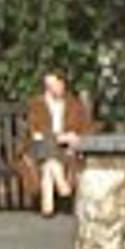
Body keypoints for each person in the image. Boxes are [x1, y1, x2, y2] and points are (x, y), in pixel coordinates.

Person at [24, 71, 95, 218]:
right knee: (48, 151)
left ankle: (47, 207)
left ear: (62, 84)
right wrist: (57, 137)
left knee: (48, 166)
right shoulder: (37, 104)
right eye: (49, 86)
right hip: (42, 146)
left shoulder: (73, 104)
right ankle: (63, 187)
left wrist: (75, 136)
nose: (53, 89)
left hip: (65, 148)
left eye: (56, 85)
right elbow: (34, 131)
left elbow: (86, 127)